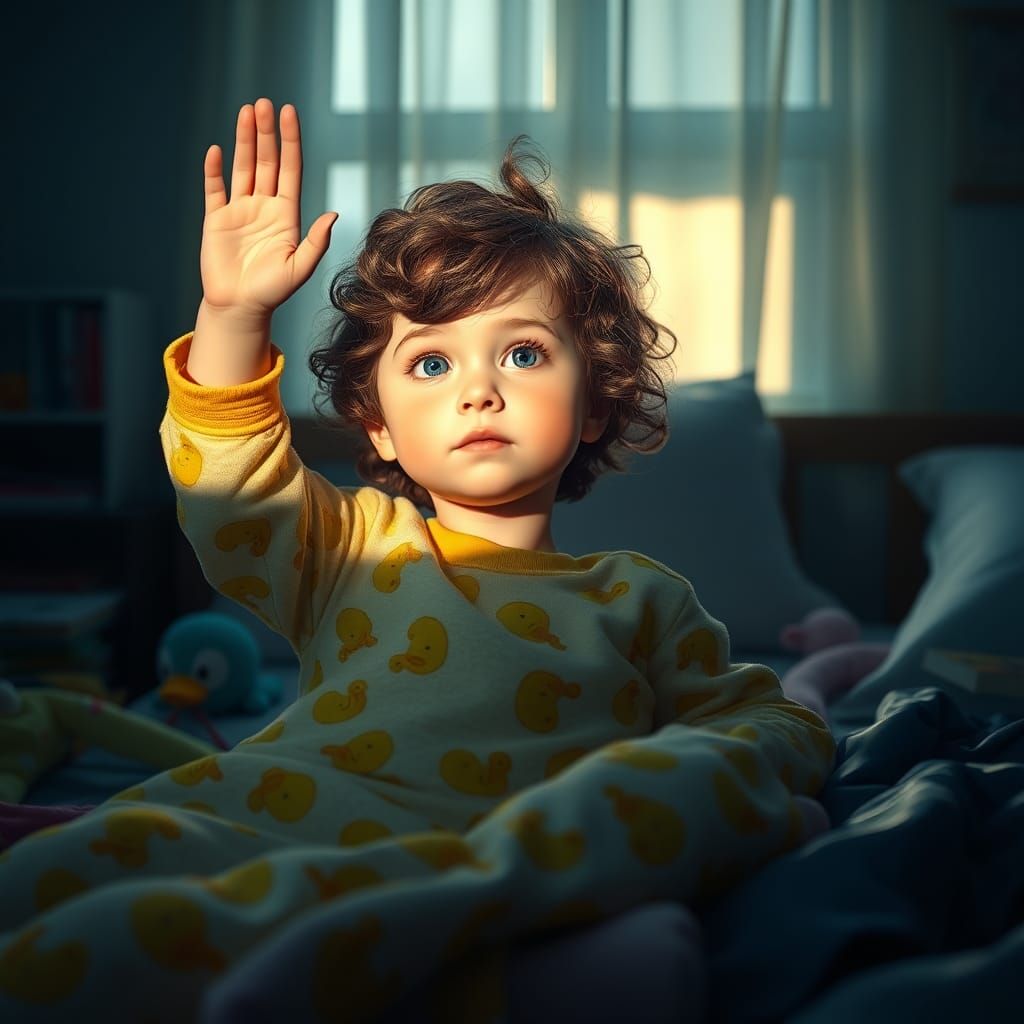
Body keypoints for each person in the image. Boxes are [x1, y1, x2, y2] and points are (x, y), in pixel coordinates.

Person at [0, 99, 833, 1024]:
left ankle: (463, 970)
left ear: (594, 404)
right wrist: (233, 314)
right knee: (55, 875)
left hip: (510, 850)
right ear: (379, 426)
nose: (479, 388)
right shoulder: (347, 547)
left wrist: (751, 786)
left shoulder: (637, 597)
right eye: (432, 365)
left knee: (711, 773)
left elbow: (762, 724)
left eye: (522, 352)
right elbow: (228, 488)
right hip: (293, 826)